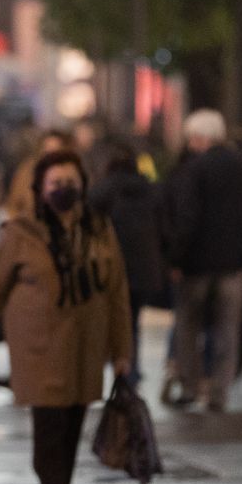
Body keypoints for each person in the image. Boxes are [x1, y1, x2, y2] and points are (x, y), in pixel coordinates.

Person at [0, 150, 132, 484]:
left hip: (85, 345)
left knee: (73, 421)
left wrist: (122, 352)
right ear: (40, 189)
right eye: (56, 184)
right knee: (49, 421)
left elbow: (117, 293)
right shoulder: (20, 233)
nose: (64, 191)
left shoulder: (99, 230)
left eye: (71, 183)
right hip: (38, 345)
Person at [168, 110, 242, 412]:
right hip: (234, 264)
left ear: (200, 138)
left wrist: (176, 257)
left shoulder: (195, 169)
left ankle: (191, 386)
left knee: (188, 326)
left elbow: (187, 216)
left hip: (197, 264)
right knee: (227, 330)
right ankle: (219, 391)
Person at [88, 141, 168, 384]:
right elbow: (165, 229)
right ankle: (131, 368)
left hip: (112, 267)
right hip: (145, 269)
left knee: (111, 320)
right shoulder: (151, 190)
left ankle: (116, 367)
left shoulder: (102, 190)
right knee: (132, 320)